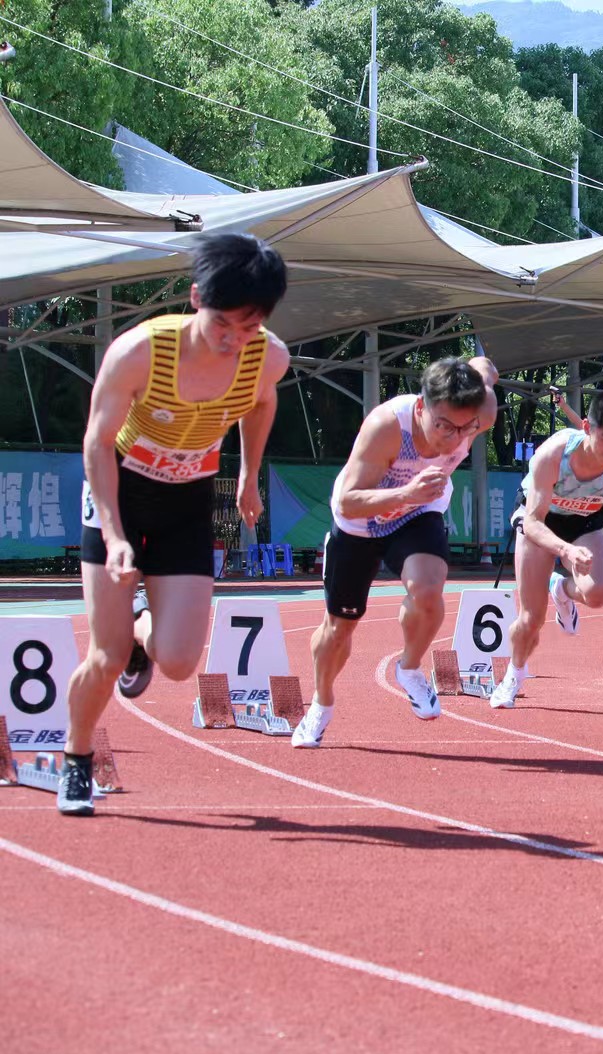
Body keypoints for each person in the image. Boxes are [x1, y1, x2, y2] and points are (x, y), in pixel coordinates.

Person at [61, 233, 290, 814]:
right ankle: (77, 758)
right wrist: (113, 535)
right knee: (106, 656)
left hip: (187, 498)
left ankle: (142, 626)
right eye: (222, 324)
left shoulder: (268, 357)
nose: (232, 340)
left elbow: (263, 402)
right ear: (196, 298)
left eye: (249, 327)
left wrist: (248, 476)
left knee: (181, 660)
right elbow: (96, 444)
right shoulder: (139, 352)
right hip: (120, 488)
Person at [292, 356, 499, 748]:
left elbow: (485, 368)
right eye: (443, 426)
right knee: (338, 629)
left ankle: (409, 668)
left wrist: (479, 368)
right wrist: (406, 493)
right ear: (422, 407)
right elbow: (349, 500)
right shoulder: (387, 427)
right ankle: (321, 702)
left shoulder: (481, 411)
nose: (453, 439)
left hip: (418, 512)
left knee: (429, 590)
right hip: (360, 521)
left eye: (464, 429)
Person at [489, 391, 603, 708]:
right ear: (586, 428)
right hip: (542, 519)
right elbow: (532, 522)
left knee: (599, 593)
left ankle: (561, 589)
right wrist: (565, 551)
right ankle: (513, 674)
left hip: (586, 518)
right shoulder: (553, 455)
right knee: (531, 619)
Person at [550, 386, 603, 593]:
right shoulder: (599, 435)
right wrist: (563, 405)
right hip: (595, 499)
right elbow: (580, 424)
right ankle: (581, 579)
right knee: (587, 539)